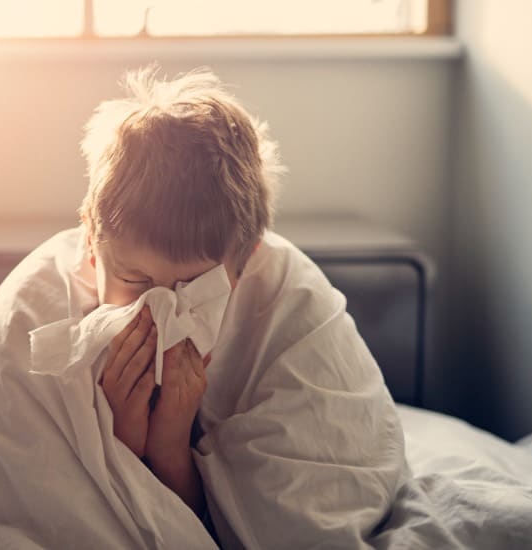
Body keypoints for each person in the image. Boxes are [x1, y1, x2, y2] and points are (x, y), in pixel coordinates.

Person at [76, 64, 408, 547]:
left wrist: (169, 444)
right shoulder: (55, 298)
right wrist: (118, 439)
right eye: (134, 279)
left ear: (245, 260)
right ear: (90, 242)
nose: (162, 309)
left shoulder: (286, 302)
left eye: (193, 286)